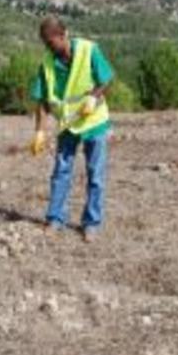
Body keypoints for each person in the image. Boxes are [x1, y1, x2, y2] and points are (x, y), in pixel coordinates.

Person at [29, 15, 114, 243]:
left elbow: (107, 79)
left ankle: (91, 223)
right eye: (45, 44)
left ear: (64, 34)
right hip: (67, 124)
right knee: (61, 173)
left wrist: (94, 97)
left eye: (51, 42)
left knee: (95, 174)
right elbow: (42, 102)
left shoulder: (89, 50)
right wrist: (40, 131)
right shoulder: (47, 63)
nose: (49, 48)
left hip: (94, 122)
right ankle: (56, 218)